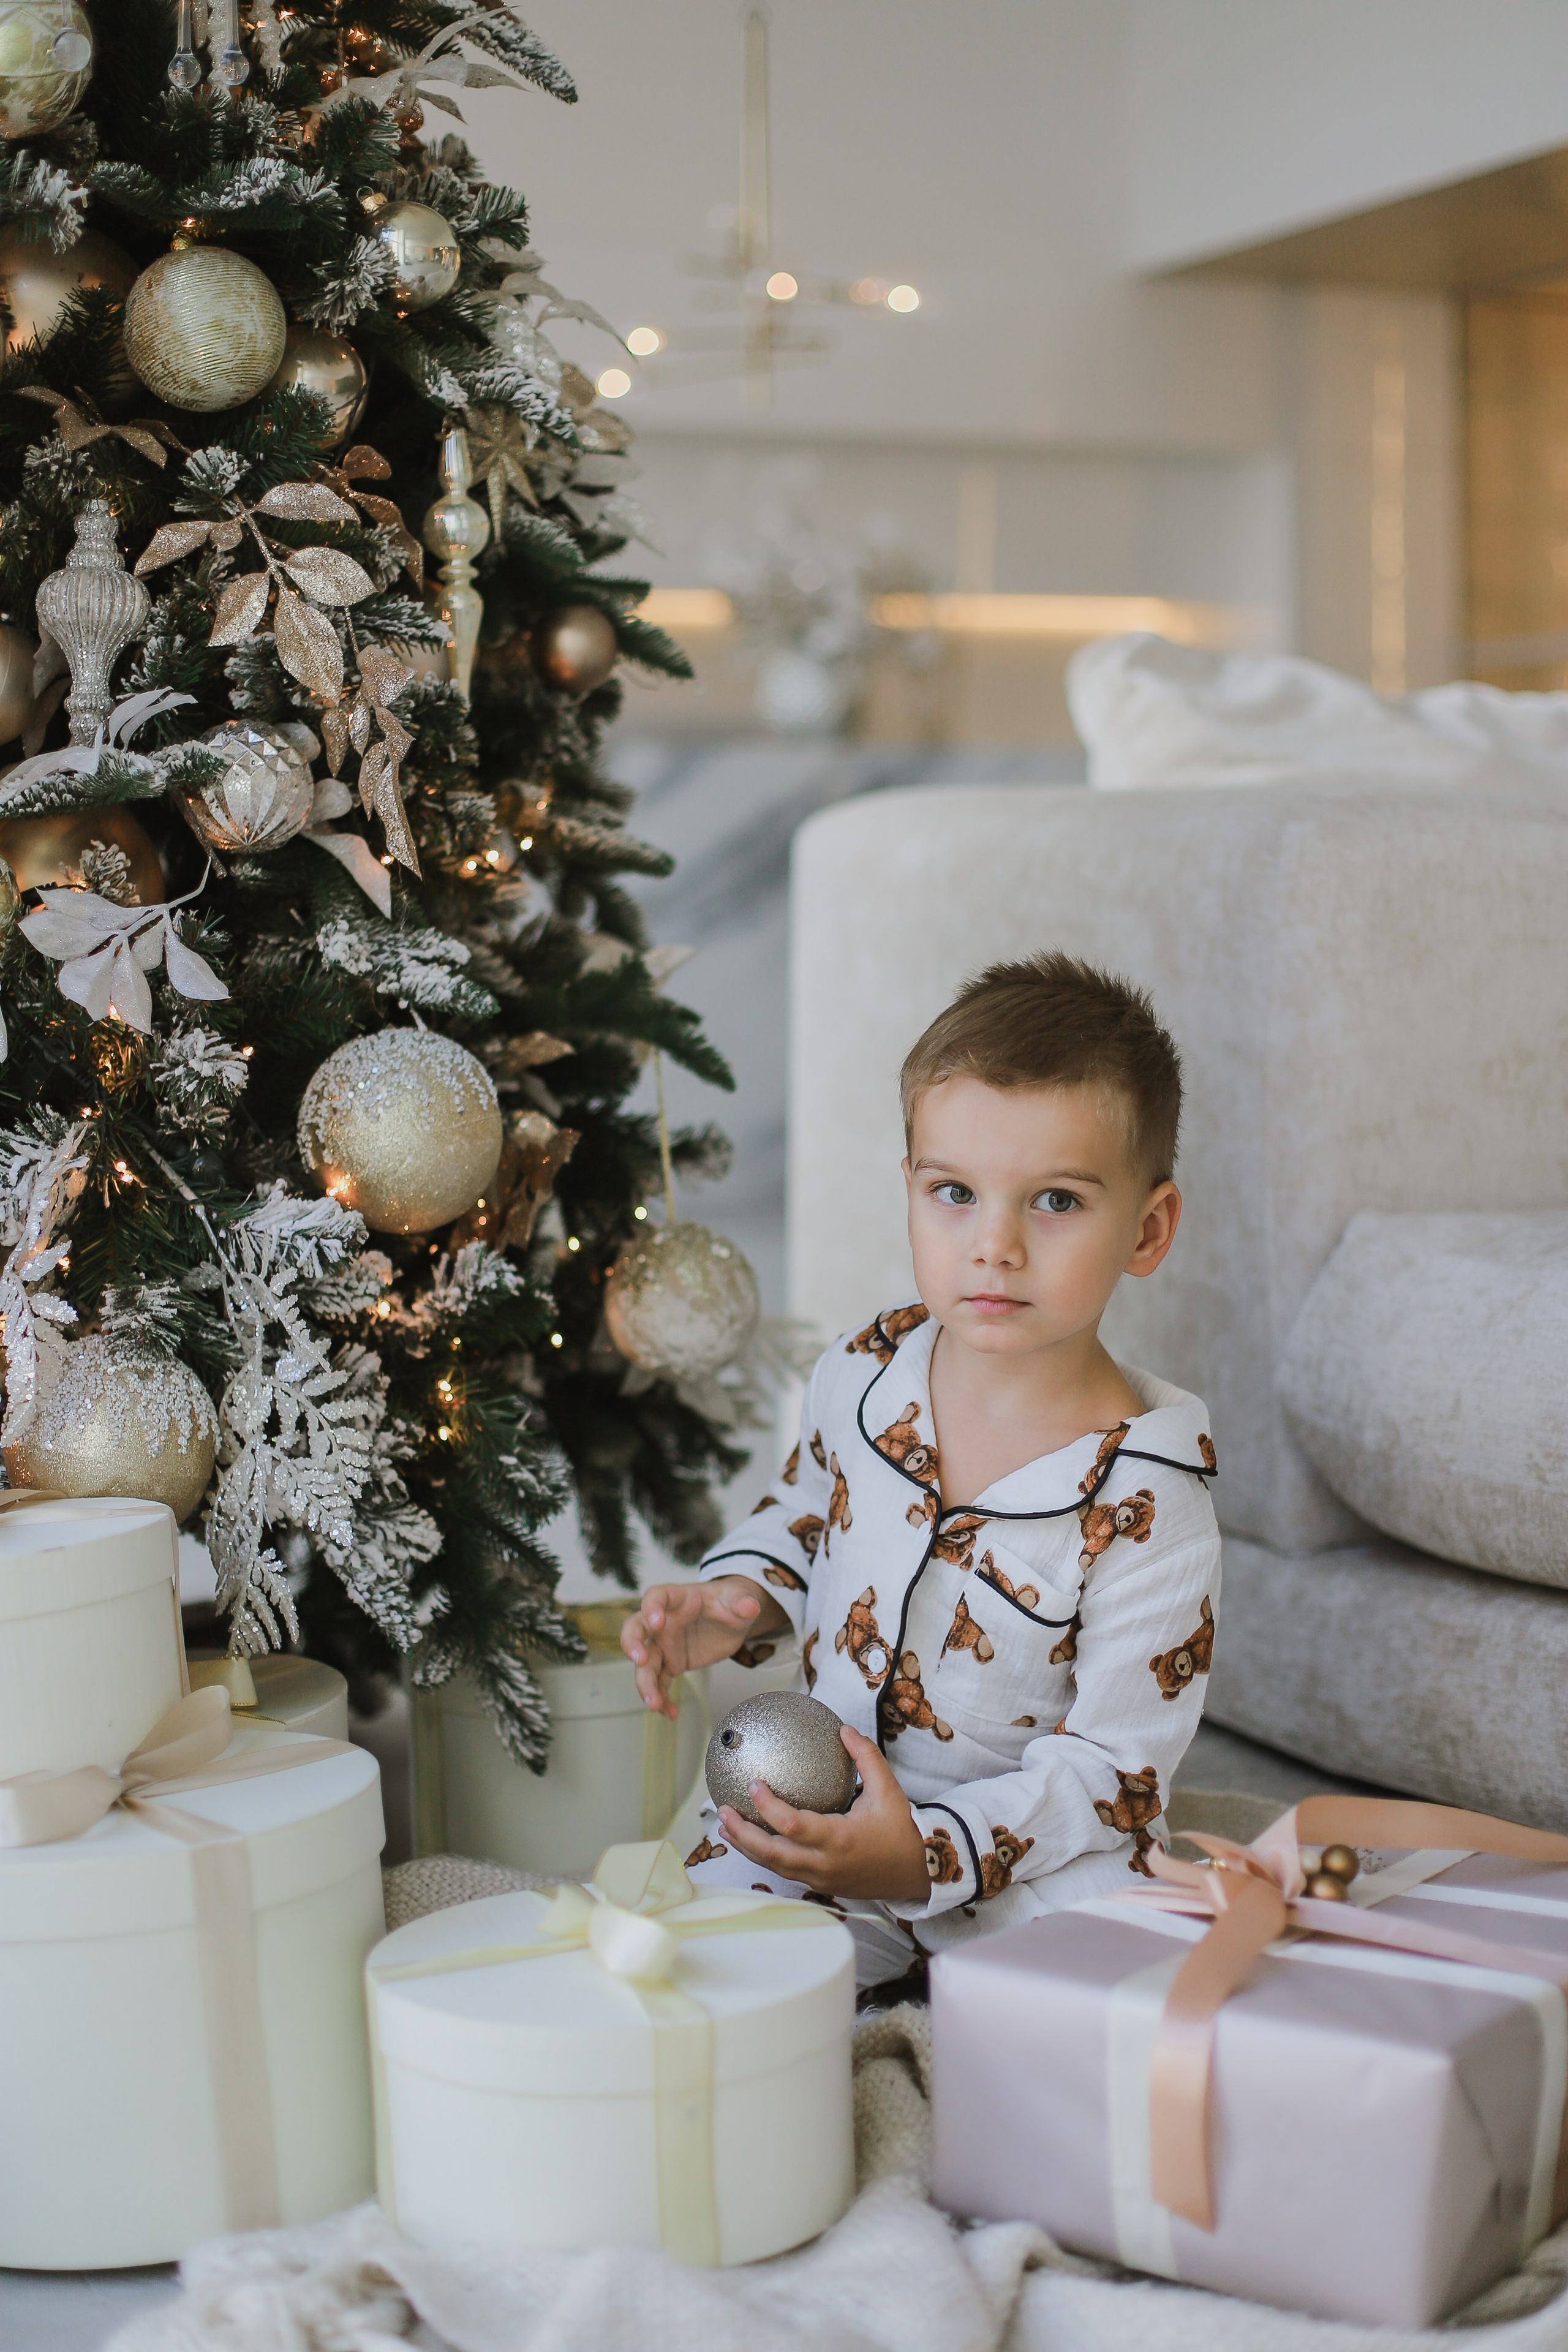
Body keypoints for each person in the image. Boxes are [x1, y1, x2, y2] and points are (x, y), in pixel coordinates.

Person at [622, 951, 1221, 1989]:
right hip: (825, 1814)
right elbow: (807, 1509)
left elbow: (1110, 1771)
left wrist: (927, 1856)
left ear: (1149, 1228)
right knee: (694, 1973)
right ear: (910, 1190)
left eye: (1057, 1202)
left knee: (1128, 2004)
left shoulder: (1149, 1500)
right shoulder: (862, 1374)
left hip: (1028, 1856)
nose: (994, 1245)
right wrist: (742, 1597)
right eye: (955, 1192)